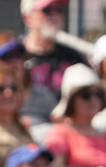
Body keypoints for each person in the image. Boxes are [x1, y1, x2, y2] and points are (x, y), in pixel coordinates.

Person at [19, 0, 85, 141]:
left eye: (59, 10)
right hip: (26, 127)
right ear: (27, 17)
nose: (54, 15)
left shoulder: (72, 56)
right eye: (47, 10)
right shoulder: (14, 54)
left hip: (66, 129)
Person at [43, 64, 106, 167]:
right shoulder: (60, 133)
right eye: (86, 95)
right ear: (72, 101)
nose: (94, 100)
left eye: (98, 94)